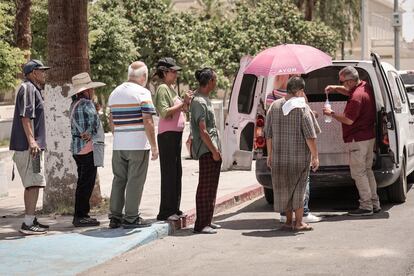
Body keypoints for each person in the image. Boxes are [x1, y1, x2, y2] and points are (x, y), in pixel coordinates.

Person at [323, 66, 380, 216]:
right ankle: (374, 202)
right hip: (368, 138)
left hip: (357, 140)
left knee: (358, 173)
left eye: (342, 82)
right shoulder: (364, 86)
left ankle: (366, 206)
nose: (342, 84)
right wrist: (336, 88)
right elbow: (349, 91)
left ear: (349, 81)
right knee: (367, 171)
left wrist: (332, 113)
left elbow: (348, 120)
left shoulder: (356, 98)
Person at [265, 76, 320, 231]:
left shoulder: (274, 106)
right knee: (299, 189)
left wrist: (270, 155)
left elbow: (268, 134)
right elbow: (310, 135)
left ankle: (288, 221)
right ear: (300, 91)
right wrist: (315, 156)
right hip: (299, 158)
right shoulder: (302, 108)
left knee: (283, 188)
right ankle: (299, 223)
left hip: (278, 158)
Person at [108, 61, 158, 229]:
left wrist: (119, 136)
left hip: (119, 145)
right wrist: (154, 146)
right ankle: (131, 218)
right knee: (135, 181)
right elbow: (148, 121)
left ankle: (114, 217)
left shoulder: (114, 93)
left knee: (119, 180)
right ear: (143, 77)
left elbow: (111, 120)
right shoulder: (143, 93)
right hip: (137, 144)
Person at [10, 59, 50, 235]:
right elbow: (25, 116)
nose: (44, 74)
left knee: (35, 182)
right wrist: (32, 141)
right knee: (32, 183)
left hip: (33, 146)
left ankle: (31, 219)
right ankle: (27, 223)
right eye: (42, 71)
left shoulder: (35, 90)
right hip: (29, 147)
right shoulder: (28, 88)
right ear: (34, 72)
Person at [153, 57, 192, 221]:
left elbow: (180, 110)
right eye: (173, 71)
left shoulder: (171, 89)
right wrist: (183, 103)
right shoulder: (162, 88)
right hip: (167, 136)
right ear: (164, 72)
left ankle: (174, 208)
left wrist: (186, 103)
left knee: (176, 172)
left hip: (175, 135)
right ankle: (166, 212)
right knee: (169, 173)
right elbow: (164, 112)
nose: (176, 74)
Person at [68, 72, 106, 227]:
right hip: (87, 148)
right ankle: (81, 215)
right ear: (86, 91)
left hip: (77, 148)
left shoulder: (74, 104)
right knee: (86, 183)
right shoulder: (87, 104)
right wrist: (89, 133)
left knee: (82, 182)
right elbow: (95, 123)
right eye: (91, 89)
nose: (93, 92)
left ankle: (80, 214)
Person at [190, 68, 222, 234]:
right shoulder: (199, 102)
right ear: (209, 81)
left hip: (213, 148)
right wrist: (214, 151)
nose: (215, 83)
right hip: (207, 150)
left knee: (212, 187)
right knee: (205, 187)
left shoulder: (205, 99)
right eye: (214, 80)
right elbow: (202, 131)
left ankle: (207, 220)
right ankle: (201, 224)